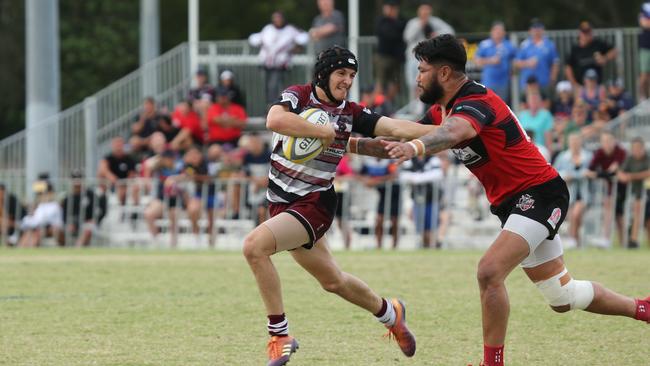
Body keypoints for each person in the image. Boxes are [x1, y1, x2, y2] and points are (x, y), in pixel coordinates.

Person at [375, 34, 649, 366]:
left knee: (489, 271)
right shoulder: (441, 110)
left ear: (444, 73)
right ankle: (643, 308)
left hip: (540, 194)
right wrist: (339, 140)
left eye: (422, 70)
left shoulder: (476, 102)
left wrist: (416, 147)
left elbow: (451, 134)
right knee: (562, 297)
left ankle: (493, 363)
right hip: (517, 204)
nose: (416, 78)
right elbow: (398, 132)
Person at [242, 46, 435, 365]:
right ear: (323, 74)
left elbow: (397, 128)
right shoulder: (298, 95)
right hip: (282, 203)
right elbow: (274, 119)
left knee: (254, 247)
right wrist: (323, 131)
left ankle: (279, 336)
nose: (347, 81)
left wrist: (452, 133)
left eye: (352, 76)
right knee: (333, 281)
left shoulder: (353, 113)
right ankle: (391, 313)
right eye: (341, 73)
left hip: (313, 204)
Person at [248, 10, 309, 104]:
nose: (277, 20)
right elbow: (255, 39)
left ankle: (276, 107)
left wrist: (295, 48)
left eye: (279, 18)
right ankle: (269, 107)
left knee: (276, 87)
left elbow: (303, 39)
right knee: (266, 88)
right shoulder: (268, 29)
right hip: (266, 64)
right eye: (275, 18)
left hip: (281, 66)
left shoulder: (290, 30)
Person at [403, 2, 454, 103]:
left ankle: (421, 107)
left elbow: (450, 31)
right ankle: (413, 106)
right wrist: (421, 25)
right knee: (411, 83)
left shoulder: (435, 22)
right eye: (423, 10)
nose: (425, 13)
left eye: (427, 10)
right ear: (419, 11)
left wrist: (437, 34)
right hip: (412, 57)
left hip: (427, 59)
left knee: (423, 83)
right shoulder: (413, 23)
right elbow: (407, 37)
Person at [585, 132, 627, 247]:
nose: (607, 144)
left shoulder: (620, 152)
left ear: (614, 141)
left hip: (621, 188)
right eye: (604, 141)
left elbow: (614, 169)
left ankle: (622, 242)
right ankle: (607, 238)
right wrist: (600, 174)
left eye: (609, 141)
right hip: (608, 188)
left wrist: (599, 174)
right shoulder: (600, 152)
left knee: (619, 215)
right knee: (610, 209)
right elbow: (589, 171)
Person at [553, 133, 592, 248]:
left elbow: (591, 172)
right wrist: (567, 175)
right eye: (572, 141)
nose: (575, 144)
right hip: (569, 191)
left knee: (576, 215)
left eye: (577, 141)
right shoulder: (563, 156)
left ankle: (573, 240)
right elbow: (555, 172)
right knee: (572, 216)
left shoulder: (588, 156)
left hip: (584, 192)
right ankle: (576, 240)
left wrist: (574, 175)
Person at [400, 153, 445, 248]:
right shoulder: (410, 159)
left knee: (431, 225)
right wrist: (422, 177)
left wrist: (417, 177)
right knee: (421, 226)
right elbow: (403, 175)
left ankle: (433, 244)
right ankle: (426, 244)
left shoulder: (432, 158)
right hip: (416, 198)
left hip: (432, 198)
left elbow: (437, 174)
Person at [360, 156, 401, 249]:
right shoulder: (368, 161)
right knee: (379, 220)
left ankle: (394, 246)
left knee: (395, 221)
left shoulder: (390, 161)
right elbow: (361, 174)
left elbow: (394, 175)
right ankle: (379, 246)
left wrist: (375, 181)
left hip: (394, 192)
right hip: (382, 193)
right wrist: (366, 181)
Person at [617, 137, 650, 248]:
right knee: (638, 212)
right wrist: (623, 176)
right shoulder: (630, 159)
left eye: (638, 148)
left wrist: (631, 176)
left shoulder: (647, 158)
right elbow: (621, 173)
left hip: (647, 192)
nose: (636, 150)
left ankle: (635, 239)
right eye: (634, 148)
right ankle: (633, 240)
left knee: (646, 220)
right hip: (636, 193)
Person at [513, 19, 559, 96]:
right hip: (527, 84)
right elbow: (516, 63)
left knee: (545, 105)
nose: (537, 31)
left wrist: (553, 79)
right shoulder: (524, 45)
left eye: (539, 28)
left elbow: (555, 63)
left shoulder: (550, 45)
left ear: (543, 30)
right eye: (534, 29)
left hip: (544, 82)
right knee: (527, 106)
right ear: (530, 30)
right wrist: (528, 63)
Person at [61, 170, 106, 247]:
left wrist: (95, 220)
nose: (77, 183)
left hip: (88, 224)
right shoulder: (67, 198)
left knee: (87, 230)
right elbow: (64, 216)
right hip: (73, 224)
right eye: (74, 180)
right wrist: (69, 224)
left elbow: (100, 211)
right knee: (58, 231)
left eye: (79, 180)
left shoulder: (91, 195)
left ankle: (77, 250)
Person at [474, 21, 516, 104]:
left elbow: (515, 60)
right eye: (497, 31)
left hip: (503, 83)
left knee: (501, 107)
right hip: (488, 83)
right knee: (487, 106)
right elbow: (476, 61)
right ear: (492, 31)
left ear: (504, 32)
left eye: (501, 31)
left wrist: (513, 70)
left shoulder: (508, 45)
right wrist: (490, 60)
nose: (498, 33)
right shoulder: (485, 44)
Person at [565, 21, 617, 87]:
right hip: (580, 86)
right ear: (580, 33)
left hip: (597, 87)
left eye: (588, 32)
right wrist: (574, 84)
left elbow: (614, 51)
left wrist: (605, 58)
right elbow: (568, 67)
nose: (587, 35)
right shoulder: (574, 48)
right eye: (584, 32)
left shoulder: (598, 44)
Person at [374, 0, 407, 101]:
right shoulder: (381, 21)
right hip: (383, 57)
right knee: (380, 83)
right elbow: (388, 34)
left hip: (397, 58)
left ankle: (386, 105)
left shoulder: (401, 21)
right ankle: (377, 107)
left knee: (395, 85)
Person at [19, 174, 63, 247]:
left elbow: (43, 220)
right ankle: (21, 249)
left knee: (37, 232)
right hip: (39, 226)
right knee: (29, 232)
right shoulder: (39, 205)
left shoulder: (54, 205)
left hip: (50, 227)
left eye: (42, 194)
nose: (40, 196)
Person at [97, 137, 139, 210]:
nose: (118, 147)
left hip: (125, 185)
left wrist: (122, 184)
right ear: (112, 146)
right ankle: (103, 198)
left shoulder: (129, 159)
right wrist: (111, 177)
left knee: (133, 187)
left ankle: (133, 211)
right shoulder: (108, 158)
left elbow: (132, 175)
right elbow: (102, 169)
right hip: (110, 185)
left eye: (120, 144)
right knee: (101, 174)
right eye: (116, 145)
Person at [639, 3, 650, 100]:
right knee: (644, 75)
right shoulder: (645, 5)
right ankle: (644, 99)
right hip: (646, 45)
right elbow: (644, 23)